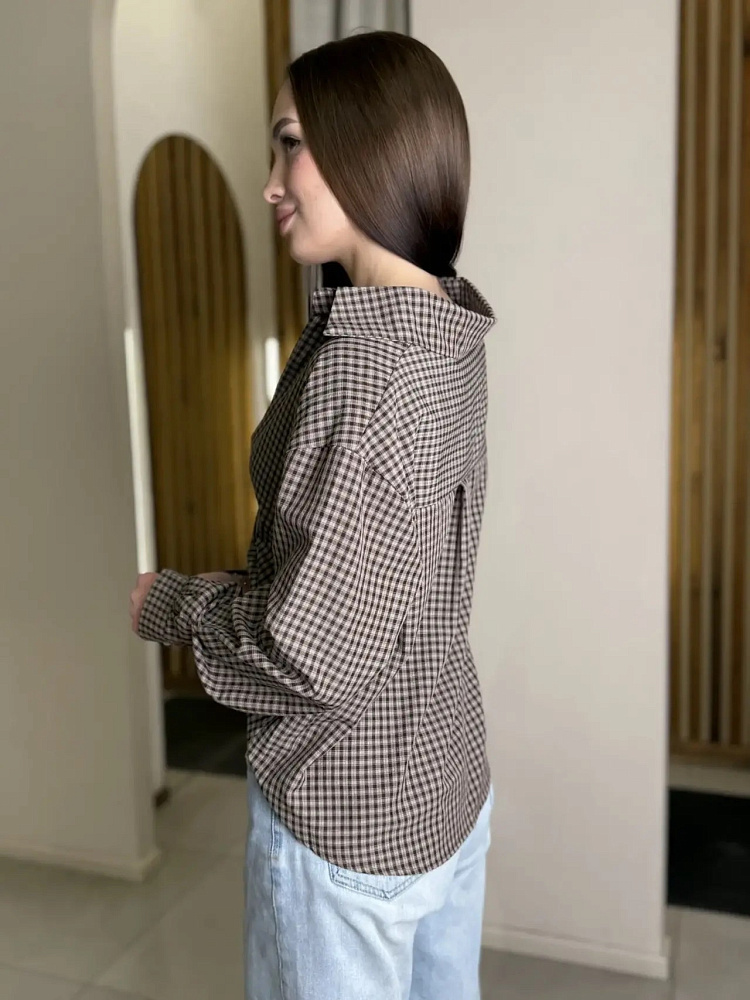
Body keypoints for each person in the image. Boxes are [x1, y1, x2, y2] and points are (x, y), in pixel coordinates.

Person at [130, 29, 495, 1000]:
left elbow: (308, 655)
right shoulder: (448, 323)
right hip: (445, 782)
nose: (270, 183)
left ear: (368, 145)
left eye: (289, 143)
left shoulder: (366, 372)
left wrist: (173, 604)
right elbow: (383, 571)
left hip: (346, 820)